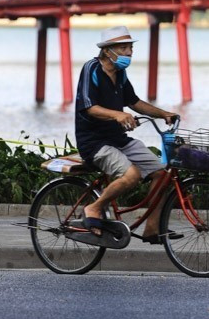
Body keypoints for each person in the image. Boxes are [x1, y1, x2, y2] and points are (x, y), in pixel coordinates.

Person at [75, 25, 181, 243]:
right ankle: (93, 208)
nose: (129, 53)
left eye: (130, 48)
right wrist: (117, 115)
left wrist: (164, 114)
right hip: (94, 143)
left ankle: (152, 228)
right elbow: (88, 107)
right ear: (107, 51)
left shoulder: (121, 74)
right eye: (123, 48)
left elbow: (134, 102)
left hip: (118, 139)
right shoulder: (91, 69)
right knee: (131, 176)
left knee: (162, 175)